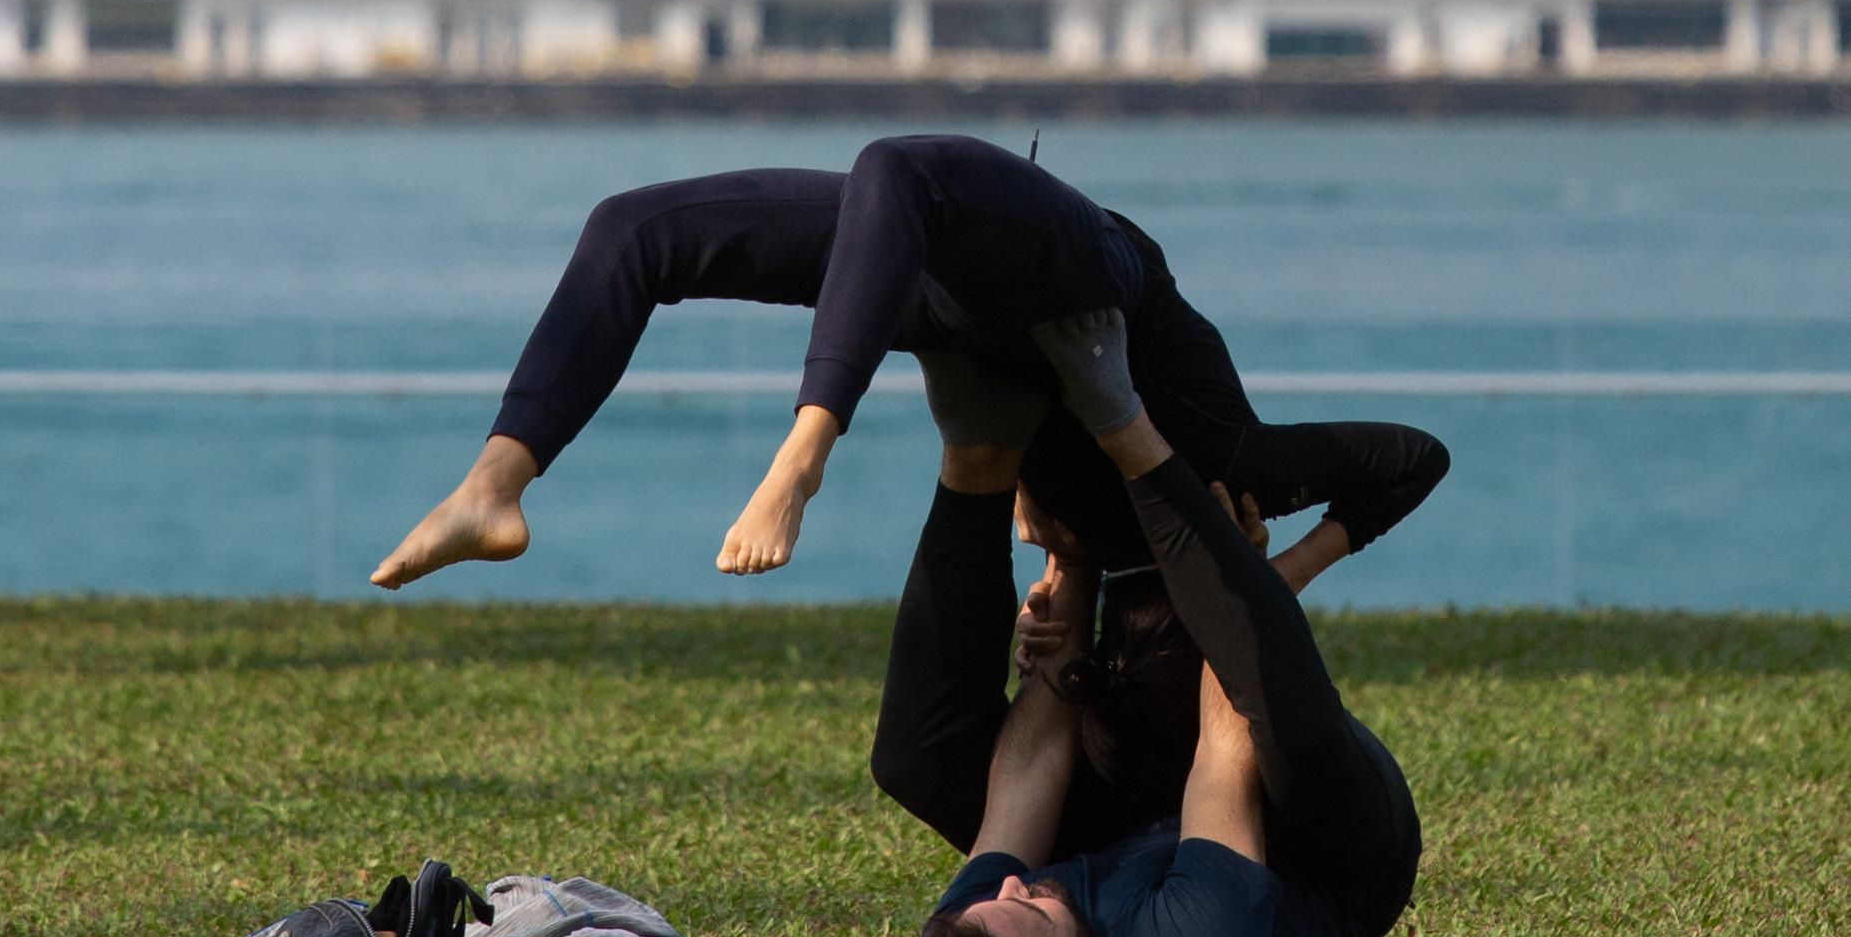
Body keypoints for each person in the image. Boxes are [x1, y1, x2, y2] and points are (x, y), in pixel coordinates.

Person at [369, 136, 1447, 589]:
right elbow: (1411, 457)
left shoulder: (1108, 569)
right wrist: (1281, 570)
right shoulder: (1232, 465)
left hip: (963, 314)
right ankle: (492, 488)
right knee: (635, 227)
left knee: (890, 176)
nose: (1038, 566)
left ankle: (800, 450)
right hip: (1092, 280)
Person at [900, 314, 1423, 937]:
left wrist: (1071, 568)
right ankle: (1126, 419)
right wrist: (1243, 584)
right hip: (1326, 861)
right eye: (1033, 910)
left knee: (921, 756)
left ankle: (990, 429)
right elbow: (1226, 743)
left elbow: (1023, 779)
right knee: (1280, 719)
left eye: (998, 897)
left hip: (1144, 842)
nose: (1012, 887)